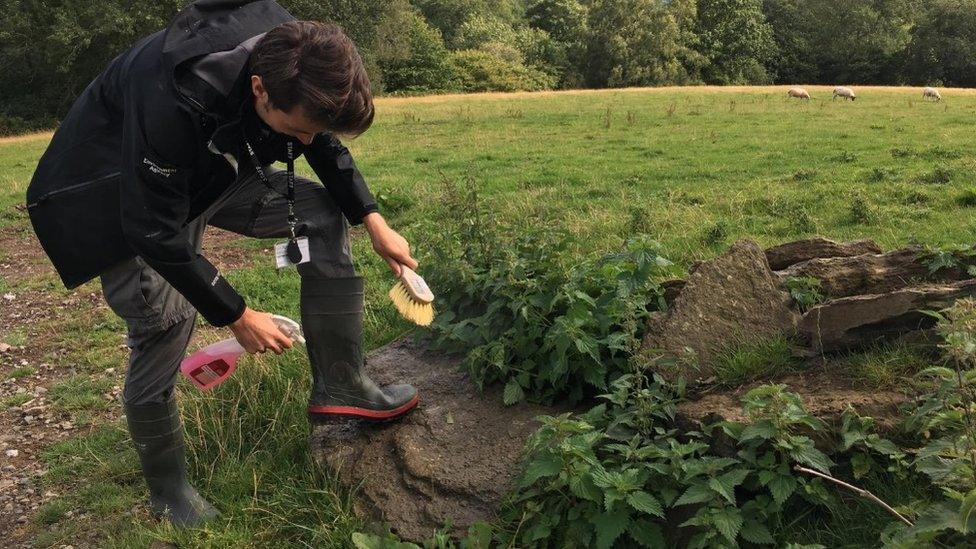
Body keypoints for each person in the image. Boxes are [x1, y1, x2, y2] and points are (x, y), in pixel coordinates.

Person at [25, 0, 419, 526]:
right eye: (295, 130)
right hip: (114, 193)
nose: (304, 144)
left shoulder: (296, 53)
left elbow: (316, 130)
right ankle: (169, 492)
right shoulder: (172, 96)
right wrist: (236, 312)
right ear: (259, 90)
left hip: (203, 166)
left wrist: (372, 218)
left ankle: (341, 385)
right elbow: (153, 229)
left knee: (324, 215)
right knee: (166, 320)